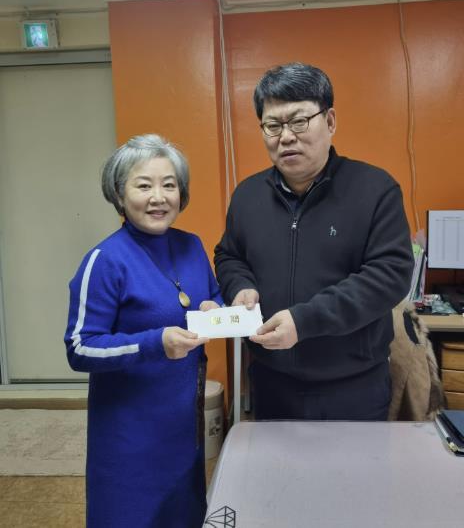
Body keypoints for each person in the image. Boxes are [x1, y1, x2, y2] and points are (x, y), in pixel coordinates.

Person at [214, 62, 414, 421]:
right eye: (273, 125)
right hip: (271, 383)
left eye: (299, 121)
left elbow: (389, 276)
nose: (286, 137)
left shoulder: (375, 190)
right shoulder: (247, 196)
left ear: (330, 121)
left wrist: (304, 321)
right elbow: (229, 256)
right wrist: (240, 285)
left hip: (354, 387)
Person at [64, 134, 222, 528]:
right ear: (119, 194)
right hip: (128, 435)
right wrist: (155, 342)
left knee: (183, 515)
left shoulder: (191, 245)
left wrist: (214, 308)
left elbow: (212, 294)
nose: (158, 197)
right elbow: (80, 347)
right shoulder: (104, 260)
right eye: (143, 185)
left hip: (182, 426)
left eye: (169, 185)